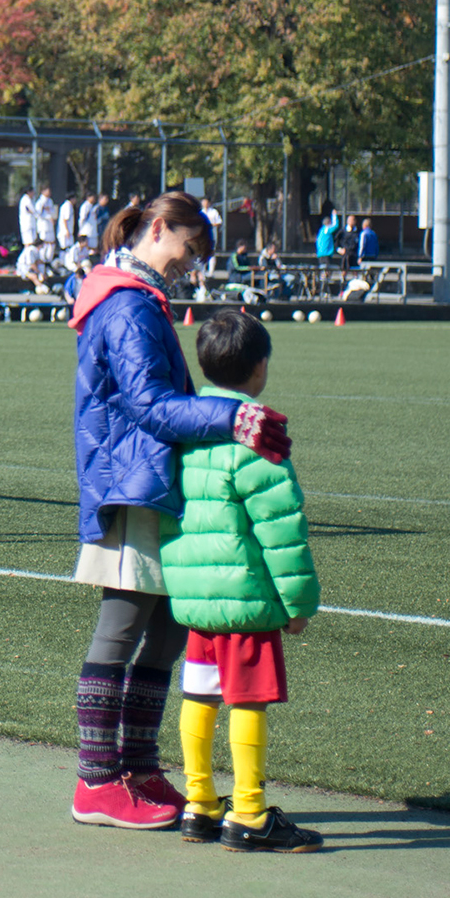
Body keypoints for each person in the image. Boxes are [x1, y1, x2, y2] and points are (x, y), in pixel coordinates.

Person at [67, 191, 292, 831]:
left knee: (166, 630)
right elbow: (147, 404)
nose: (189, 267)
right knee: (124, 623)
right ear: (159, 229)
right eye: (189, 251)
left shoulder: (136, 299)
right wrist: (233, 414)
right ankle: (96, 780)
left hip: (149, 477)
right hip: (132, 479)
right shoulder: (126, 303)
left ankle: (136, 765)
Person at [161, 309, 322, 852]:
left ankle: (200, 803)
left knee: (200, 694)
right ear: (260, 368)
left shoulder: (186, 425)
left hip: (194, 593)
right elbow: (282, 530)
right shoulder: (259, 436)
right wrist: (298, 603)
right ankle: (250, 810)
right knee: (247, 699)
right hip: (245, 597)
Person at [316, 209, 339, 292]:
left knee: (325, 271)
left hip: (321, 254)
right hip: (325, 254)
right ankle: (323, 289)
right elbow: (336, 225)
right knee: (326, 272)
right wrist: (334, 216)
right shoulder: (327, 229)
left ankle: (322, 288)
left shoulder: (321, 231)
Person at [35, 186, 56, 264]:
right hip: (43, 225)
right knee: (44, 243)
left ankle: (49, 259)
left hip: (50, 225)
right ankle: (42, 258)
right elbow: (37, 214)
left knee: (51, 242)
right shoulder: (40, 201)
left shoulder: (50, 201)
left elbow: (53, 211)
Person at [337, 214, 359, 283]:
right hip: (346, 254)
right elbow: (336, 240)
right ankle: (342, 282)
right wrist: (339, 249)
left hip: (354, 254)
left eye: (353, 220)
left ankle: (355, 282)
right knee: (344, 269)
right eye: (350, 220)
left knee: (355, 270)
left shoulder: (357, 231)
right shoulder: (343, 231)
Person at [57, 191, 76, 268]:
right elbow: (65, 219)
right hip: (65, 232)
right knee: (66, 248)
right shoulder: (68, 206)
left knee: (66, 248)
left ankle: (64, 263)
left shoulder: (65, 205)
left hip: (65, 231)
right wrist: (66, 230)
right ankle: (64, 263)